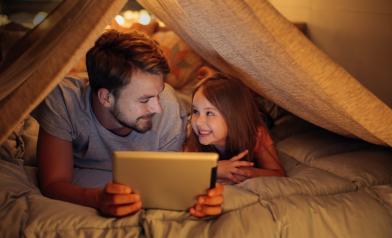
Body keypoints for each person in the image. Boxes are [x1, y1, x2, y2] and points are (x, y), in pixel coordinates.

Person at [32, 30, 223, 218]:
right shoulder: (63, 100)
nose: (157, 108)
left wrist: (201, 199)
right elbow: (53, 182)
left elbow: (172, 184)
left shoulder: (169, 108)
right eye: (144, 100)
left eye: (159, 93)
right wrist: (97, 199)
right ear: (106, 98)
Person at [184, 72, 285, 184]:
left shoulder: (255, 134)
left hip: (255, 116)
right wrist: (214, 169)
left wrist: (248, 172)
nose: (198, 122)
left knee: (264, 113)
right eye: (195, 111)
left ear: (232, 117)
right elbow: (184, 169)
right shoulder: (193, 134)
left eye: (209, 113)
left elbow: (279, 173)